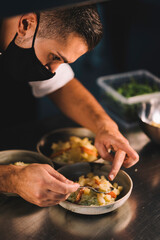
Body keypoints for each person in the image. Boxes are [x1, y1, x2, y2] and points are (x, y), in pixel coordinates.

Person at [0, 5, 139, 207]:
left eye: (63, 62)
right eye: (55, 57)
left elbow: (59, 85)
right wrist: (11, 179)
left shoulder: (32, 41)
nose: (53, 71)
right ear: (25, 23)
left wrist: (105, 127)